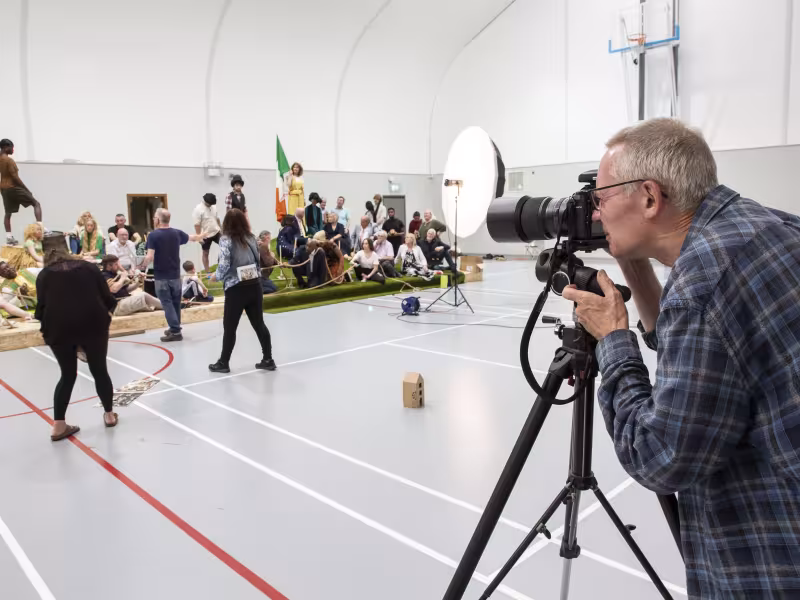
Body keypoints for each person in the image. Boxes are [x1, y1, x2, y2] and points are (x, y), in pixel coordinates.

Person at [560, 118, 800, 599]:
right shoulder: (763, 225)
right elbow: (704, 363)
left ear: (649, 196)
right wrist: (635, 267)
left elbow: (661, 457)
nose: (596, 213)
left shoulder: (701, 286)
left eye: (601, 197)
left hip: (771, 557)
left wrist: (612, 339)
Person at [35, 234, 118, 441]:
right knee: (99, 370)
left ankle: (58, 426)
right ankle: (109, 415)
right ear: (67, 247)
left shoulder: (44, 275)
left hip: (59, 329)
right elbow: (108, 298)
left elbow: (40, 309)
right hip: (93, 325)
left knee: (67, 375)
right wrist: (106, 313)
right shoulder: (88, 268)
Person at [208, 209, 275, 373]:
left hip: (236, 289)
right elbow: (256, 260)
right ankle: (268, 359)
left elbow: (224, 264)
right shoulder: (252, 238)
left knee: (230, 327)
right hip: (254, 285)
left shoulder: (225, 240)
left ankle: (223, 362)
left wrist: (215, 277)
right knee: (259, 324)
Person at [140, 208, 205, 342]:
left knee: (167, 303)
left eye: (154, 218)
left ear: (158, 220)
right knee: (175, 302)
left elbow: (150, 256)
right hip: (175, 275)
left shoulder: (153, 235)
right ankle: (174, 327)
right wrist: (203, 234)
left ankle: (175, 331)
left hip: (161, 276)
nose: (153, 220)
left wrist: (141, 267)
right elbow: (193, 238)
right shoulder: (176, 233)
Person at [0, 139, 43, 246]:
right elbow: (15, 177)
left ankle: (9, 237)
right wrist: (27, 190)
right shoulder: (9, 161)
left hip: (4, 189)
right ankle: (40, 228)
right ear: (6, 147)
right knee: (36, 203)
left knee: (8, 213)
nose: (13, 149)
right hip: (13, 187)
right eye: (12, 147)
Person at [193, 193, 222, 272]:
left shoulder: (213, 207)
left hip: (216, 231)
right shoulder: (198, 209)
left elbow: (217, 218)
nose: (211, 205)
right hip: (205, 235)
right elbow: (197, 225)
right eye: (210, 204)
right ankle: (207, 271)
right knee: (205, 253)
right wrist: (199, 237)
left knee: (226, 246)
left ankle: (224, 267)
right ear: (205, 201)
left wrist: (221, 229)